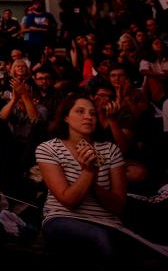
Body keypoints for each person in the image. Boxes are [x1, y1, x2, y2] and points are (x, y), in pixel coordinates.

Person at [36, 94, 133, 268]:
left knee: (110, 241)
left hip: (107, 221)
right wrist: (88, 171)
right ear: (66, 117)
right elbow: (69, 201)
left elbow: (118, 205)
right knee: (100, 239)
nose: (88, 117)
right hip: (62, 218)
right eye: (80, 111)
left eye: (92, 113)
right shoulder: (48, 148)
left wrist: (93, 183)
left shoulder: (110, 150)